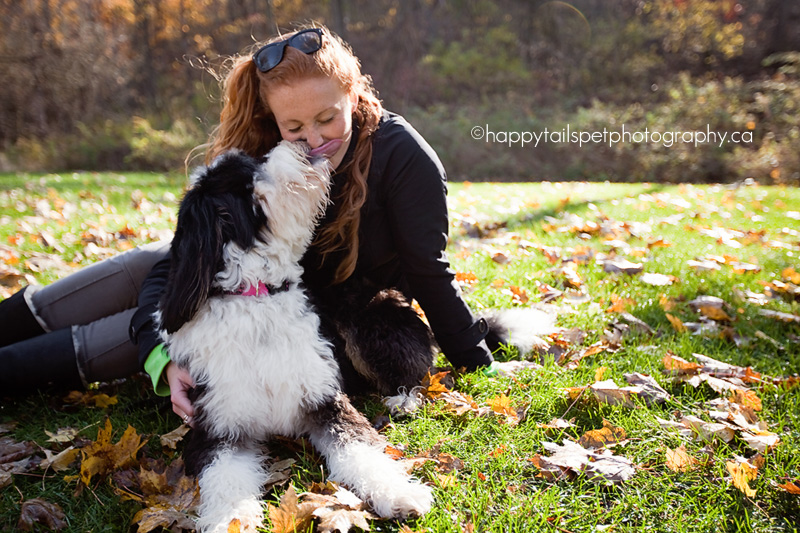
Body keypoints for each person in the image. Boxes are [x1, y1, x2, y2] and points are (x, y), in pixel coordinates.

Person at [0, 25, 498, 420]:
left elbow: (429, 270)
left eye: (327, 118)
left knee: (122, 336)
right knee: (143, 266)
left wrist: (474, 356)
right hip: (227, 276)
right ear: (275, 120)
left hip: (289, 309)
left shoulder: (402, 156)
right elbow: (183, 262)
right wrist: (161, 348)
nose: (315, 140)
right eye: (295, 127)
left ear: (355, 92)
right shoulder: (267, 151)